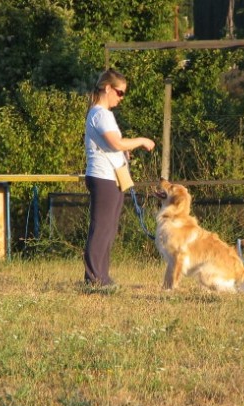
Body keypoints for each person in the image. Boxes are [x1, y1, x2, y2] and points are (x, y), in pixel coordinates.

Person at [83, 68, 156, 287]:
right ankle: (94, 278)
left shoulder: (104, 114)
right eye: (119, 92)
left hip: (111, 177)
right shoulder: (100, 113)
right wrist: (141, 140)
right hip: (103, 177)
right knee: (101, 227)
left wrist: (123, 152)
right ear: (107, 88)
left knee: (110, 228)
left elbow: (114, 145)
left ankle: (102, 276)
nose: (121, 97)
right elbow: (115, 142)